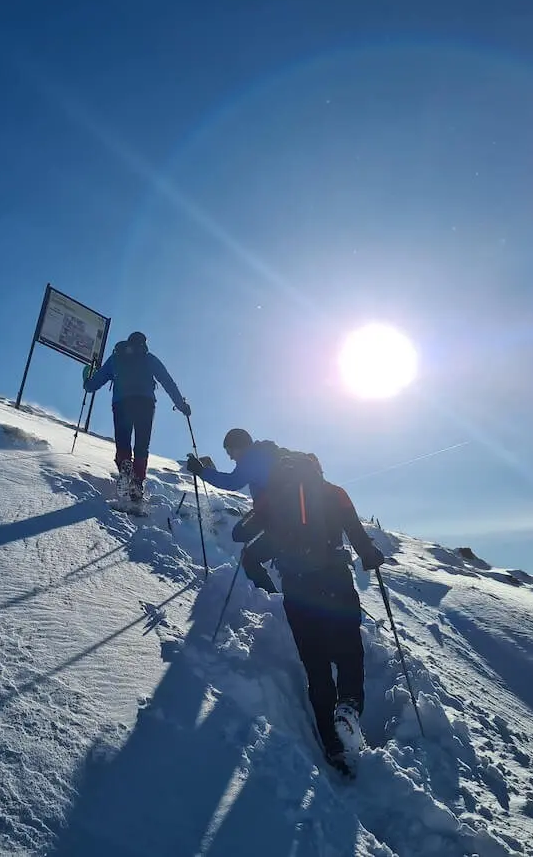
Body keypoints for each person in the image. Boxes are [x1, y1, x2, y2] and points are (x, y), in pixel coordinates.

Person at [187, 428, 387, 773]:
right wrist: (371, 556)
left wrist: (267, 523)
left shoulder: (273, 497)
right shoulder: (334, 492)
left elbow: (240, 532)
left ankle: (333, 746)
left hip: (298, 588)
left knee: (316, 665)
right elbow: (363, 546)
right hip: (337, 581)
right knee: (349, 650)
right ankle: (350, 707)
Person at [84, 331, 190, 502]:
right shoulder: (148, 358)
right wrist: (181, 405)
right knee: (141, 444)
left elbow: (94, 383)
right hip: (145, 403)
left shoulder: (116, 358)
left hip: (121, 403)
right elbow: (167, 381)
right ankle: (137, 483)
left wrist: (87, 382)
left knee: (123, 441)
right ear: (144, 343)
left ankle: (125, 469)